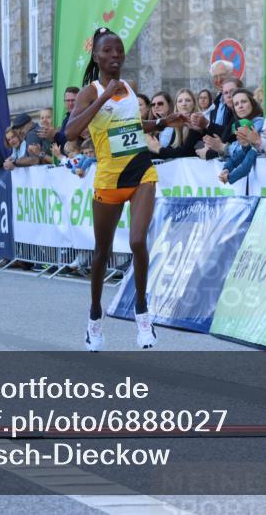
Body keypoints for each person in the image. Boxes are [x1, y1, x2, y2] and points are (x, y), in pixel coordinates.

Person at [63, 27, 183, 352]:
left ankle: (143, 313)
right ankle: (94, 317)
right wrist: (103, 96)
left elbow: (129, 127)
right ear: (96, 56)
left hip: (141, 171)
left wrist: (162, 122)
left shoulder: (130, 87)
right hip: (109, 180)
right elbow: (70, 132)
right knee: (101, 254)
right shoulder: (91, 91)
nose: (115, 56)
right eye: (108, 51)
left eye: (119, 50)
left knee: (137, 240)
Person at [218, 89, 265, 184]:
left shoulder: (260, 122)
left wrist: (229, 177)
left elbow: (245, 167)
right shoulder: (238, 125)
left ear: (252, 103)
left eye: (244, 101)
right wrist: (226, 169)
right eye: (236, 104)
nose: (240, 106)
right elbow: (239, 154)